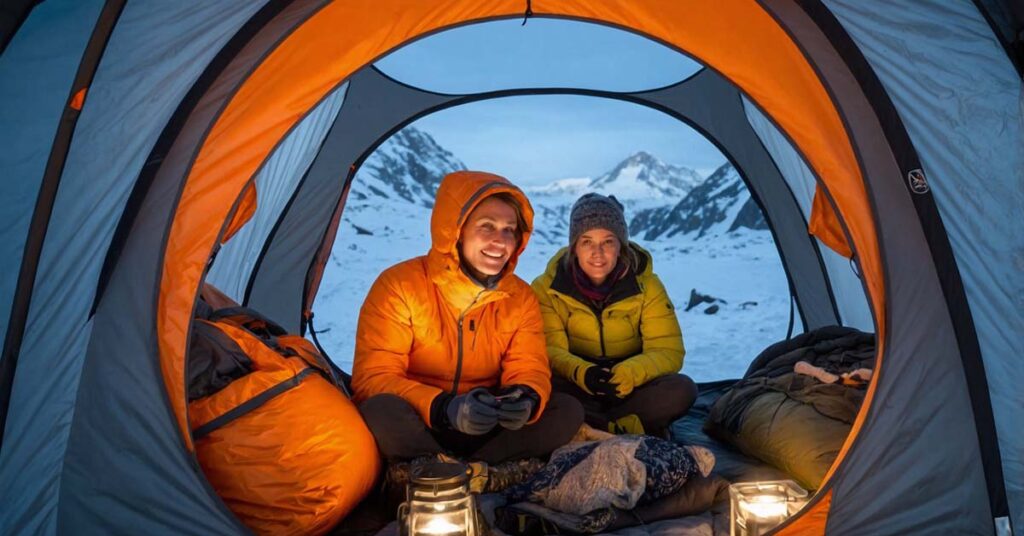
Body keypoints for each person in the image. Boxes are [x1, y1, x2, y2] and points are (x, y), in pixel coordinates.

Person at [353, 171, 584, 467]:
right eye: (487, 227)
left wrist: (524, 397)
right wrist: (442, 408)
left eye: (509, 230)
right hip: (423, 421)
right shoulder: (400, 286)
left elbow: (528, 367)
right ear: (456, 230)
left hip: (486, 422)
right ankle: (458, 471)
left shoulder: (520, 297)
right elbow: (373, 377)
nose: (500, 241)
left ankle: (464, 474)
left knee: (565, 409)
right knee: (381, 409)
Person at [531, 193, 697, 437]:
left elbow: (668, 350)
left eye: (608, 241)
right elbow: (549, 350)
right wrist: (583, 373)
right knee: (547, 391)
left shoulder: (647, 286)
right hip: (577, 384)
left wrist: (627, 374)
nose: (597, 253)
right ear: (574, 247)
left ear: (621, 245)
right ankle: (623, 426)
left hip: (630, 386)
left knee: (682, 390)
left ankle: (593, 428)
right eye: (587, 241)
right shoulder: (547, 288)